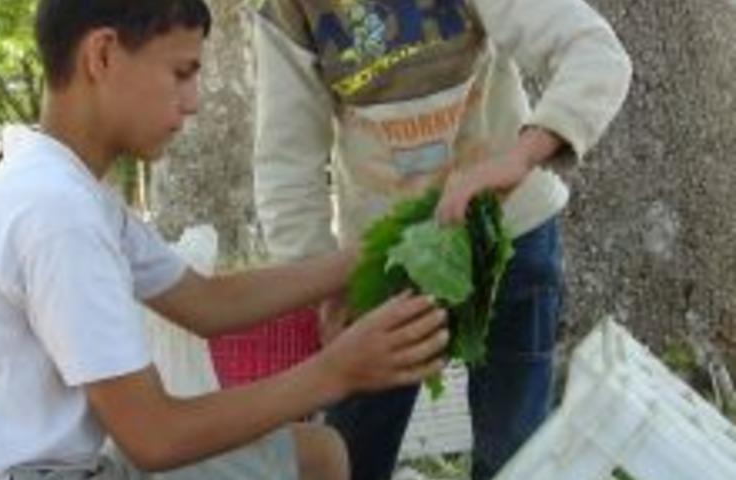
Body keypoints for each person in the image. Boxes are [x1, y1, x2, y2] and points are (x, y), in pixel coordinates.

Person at [0, 1, 451, 479]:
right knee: (314, 456)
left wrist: (373, 253)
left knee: (317, 455)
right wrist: (336, 373)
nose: (195, 101)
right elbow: (154, 436)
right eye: (182, 73)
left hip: (60, 466)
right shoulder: (55, 212)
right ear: (103, 55)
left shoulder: (68, 188)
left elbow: (208, 303)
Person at [251, 0, 632, 478]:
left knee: (513, 457)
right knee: (348, 454)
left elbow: (594, 52)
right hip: (388, 260)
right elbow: (286, 162)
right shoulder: (287, 10)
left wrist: (520, 156)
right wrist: (322, 286)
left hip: (510, 239)